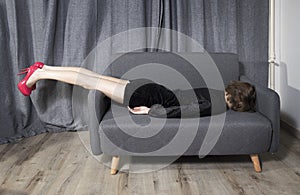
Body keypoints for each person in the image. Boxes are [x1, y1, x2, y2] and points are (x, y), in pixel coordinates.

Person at [18, 62, 256, 118]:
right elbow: (184, 111)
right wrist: (151, 112)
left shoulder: (214, 90)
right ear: (239, 103)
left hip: (151, 88)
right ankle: (38, 74)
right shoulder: (216, 105)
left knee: (91, 77)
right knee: (87, 81)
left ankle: (43, 67)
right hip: (148, 96)